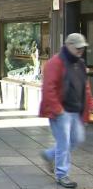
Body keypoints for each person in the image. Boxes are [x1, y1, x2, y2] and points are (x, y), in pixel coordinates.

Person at [39, 33, 93, 189]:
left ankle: (49, 155)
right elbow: (49, 89)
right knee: (64, 143)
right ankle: (62, 175)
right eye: (77, 48)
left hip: (76, 110)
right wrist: (59, 110)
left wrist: (89, 106)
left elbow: (86, 87)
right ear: (68, 45)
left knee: (77, 139)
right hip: (61, 111)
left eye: (82, 48)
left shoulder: (80, 63)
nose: (80, 51)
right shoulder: (54, 63)